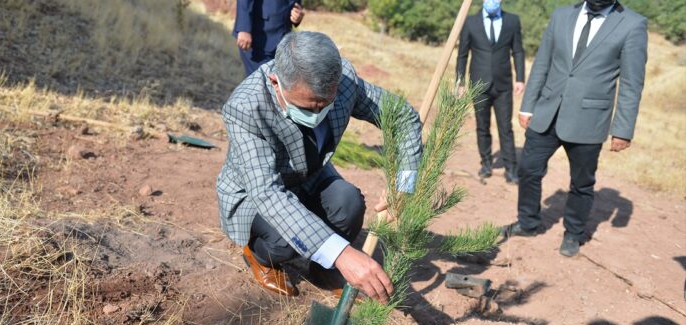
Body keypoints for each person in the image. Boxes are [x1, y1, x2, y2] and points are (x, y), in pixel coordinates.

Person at [216, 31, 422, 300]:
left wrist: (403, 187)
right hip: (256, 194)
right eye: (307, 106)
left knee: (349, 204)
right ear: (276, 82)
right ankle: (260, 257)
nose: (316, 114)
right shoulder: (245, 108)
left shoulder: (345, 81)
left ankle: (321, 269)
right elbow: (268, 193)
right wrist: (343, 254)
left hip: (310, 175)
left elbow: (403, 118)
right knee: (284, 244)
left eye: (325, 105)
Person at [504, 0, 647, 257]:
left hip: (589, 118)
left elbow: (631, 83)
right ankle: (528, 223)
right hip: (548, 111)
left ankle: (573, 233)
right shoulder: (561, 16)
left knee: (581, 183)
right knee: (528, 168)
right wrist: (528, 105)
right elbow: (542, 64)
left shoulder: (633, 24)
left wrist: (623, 129)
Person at [456, 0, 526, 184]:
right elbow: (462, 54)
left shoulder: (512, 21)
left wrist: (520, 78)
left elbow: (517, 50)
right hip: (479, 84)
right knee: (482, 126)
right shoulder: (470, 22)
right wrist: (460, 82)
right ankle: (486, 164)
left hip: (503, 85)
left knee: (506, 128)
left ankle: (511, 169)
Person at [233, 0, 305, 76]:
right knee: (260, 83)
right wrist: (244, 28)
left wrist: (297, 15)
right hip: (259, 38)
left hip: (285, 41)